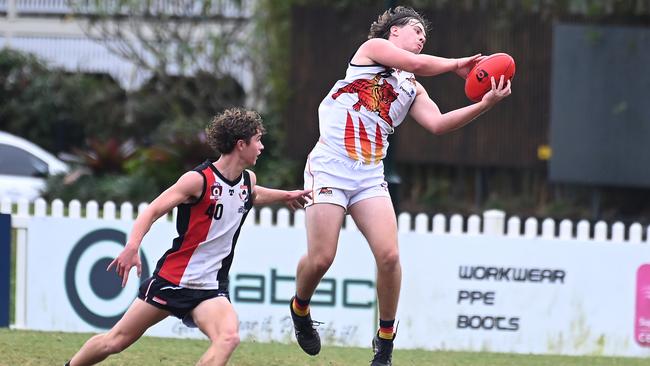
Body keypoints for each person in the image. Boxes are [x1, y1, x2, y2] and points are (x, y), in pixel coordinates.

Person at [288, 6, 512, 366]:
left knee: (390, 257)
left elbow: (438, 124)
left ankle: (386, 342)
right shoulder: (371, 52)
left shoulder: (411, 87)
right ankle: (300, 309)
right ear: (393, 33)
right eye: (416, 30)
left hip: (368, 174)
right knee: (322, 257)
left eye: (425, 34)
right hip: (330, 166)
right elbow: (422, 64)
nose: (422, 37)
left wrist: (485, 104)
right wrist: (456, 65)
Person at [65, 107, 312, 366]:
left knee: (228, 338)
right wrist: (132, 246)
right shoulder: (197, 180)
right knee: (114, 341)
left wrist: (286, 195)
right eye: (258, 140)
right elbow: (152, 210)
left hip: (210, 289)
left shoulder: (247, 181)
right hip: (173, 281)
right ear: (241, 144)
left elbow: (253, 194)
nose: (261, 147)